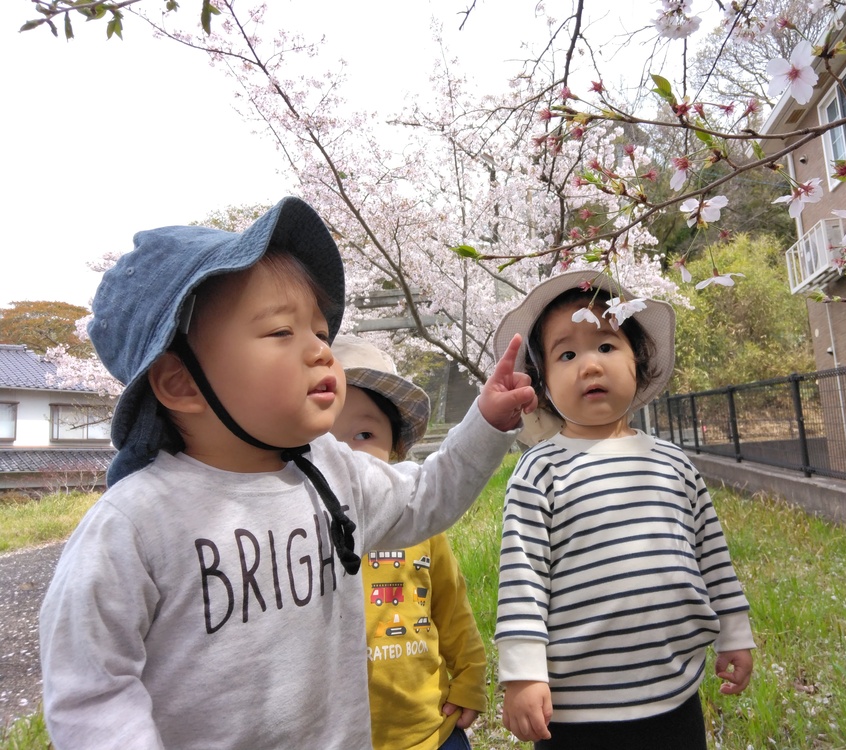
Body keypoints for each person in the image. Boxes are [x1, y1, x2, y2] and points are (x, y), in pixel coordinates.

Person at [38, 196, 537, 750]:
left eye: (320, 333)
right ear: (180, 384)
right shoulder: (135, 524)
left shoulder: (333, 473)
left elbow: (426, 498)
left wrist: (487, 422)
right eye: (281, 332)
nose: (321, 353)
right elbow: (92, 691)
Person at [490, 269, 755, 749]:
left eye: (607, 346)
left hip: (675, 695)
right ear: (545, 384)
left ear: (640, 362)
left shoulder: (675, 464)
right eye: (566, 354)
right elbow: (522, 577)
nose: (589, 365)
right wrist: (523, 672)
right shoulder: (539, 471)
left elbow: (712, 556)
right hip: (575, 711)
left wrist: (734, 630)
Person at [330, 334, 486, 750]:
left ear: (396, 448)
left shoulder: (418, 526)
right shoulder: (301, 530)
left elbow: (451, 606)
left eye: (364, 435)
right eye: (326, 442)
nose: (348, 457)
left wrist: (470, 675)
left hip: (431, 730)